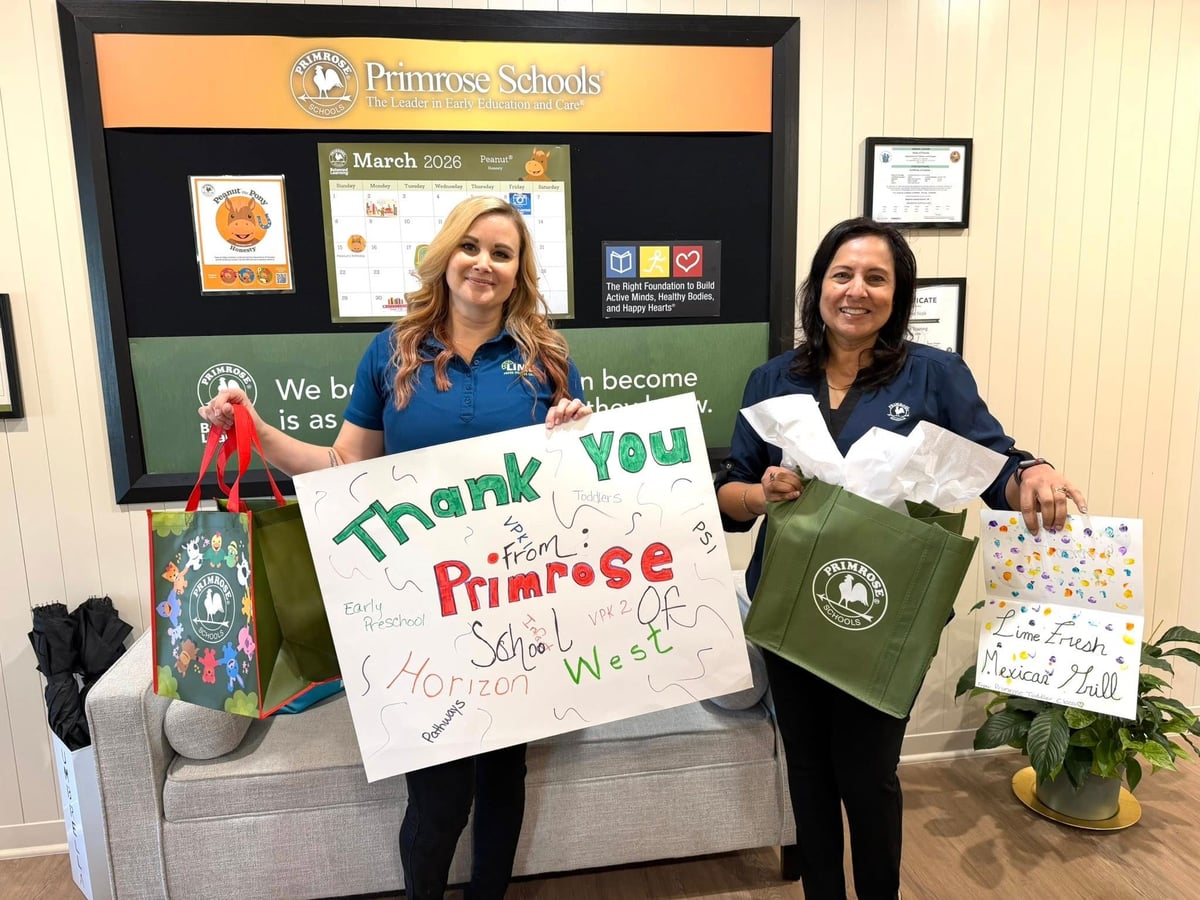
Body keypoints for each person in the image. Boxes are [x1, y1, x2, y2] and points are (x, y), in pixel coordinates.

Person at [199, 195, 590, 899]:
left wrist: (576, 433)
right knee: (439, 796)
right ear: (445, 256)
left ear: (518, 273)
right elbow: (345, 468)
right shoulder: (394, 351)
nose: (484, 263)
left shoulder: (548, 359)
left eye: (503, 254)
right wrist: (256, 431)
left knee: (504, 778)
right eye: (471, 247)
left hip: (518, 602)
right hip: (420, 607)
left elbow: (579, 484)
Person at [715, 217, 1088, 900]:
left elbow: (994, 466)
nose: (857, 290)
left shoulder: (935, 375)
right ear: (819, 287)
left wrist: (1035, 473)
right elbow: (727, 496)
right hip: (792, 605)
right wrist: (761, 493)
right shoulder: (771, 378)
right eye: (842, 274)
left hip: (884, 618)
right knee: (808, 771)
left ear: (898, 293)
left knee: (867, 772)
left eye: (876, 278)